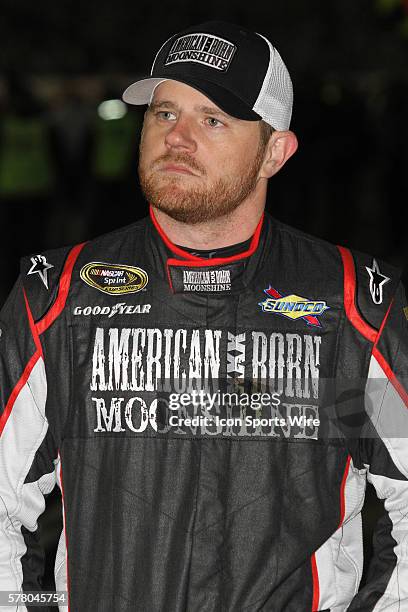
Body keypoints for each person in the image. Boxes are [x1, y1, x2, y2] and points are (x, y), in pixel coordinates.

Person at [0, 20, 407, 612]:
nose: (177, 138)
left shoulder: (351, 307)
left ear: (275, 152)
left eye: (212, 119)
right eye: (164, 113)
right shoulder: (56, 299)